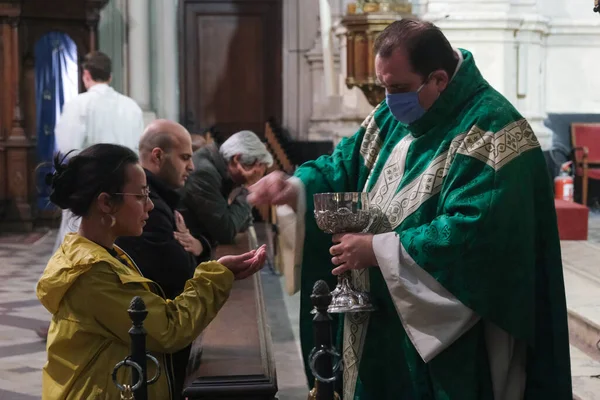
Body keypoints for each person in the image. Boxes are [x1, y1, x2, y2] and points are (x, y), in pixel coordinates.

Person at [248, 18, 572, 400]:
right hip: (375, 324)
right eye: (384, 86)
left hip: (442, 346)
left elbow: (477, 236)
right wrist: (294, 186)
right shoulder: (397, 113)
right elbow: (344, 164)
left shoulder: (496, 133)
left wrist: (378, 250)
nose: (388, 100)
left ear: (439, 79)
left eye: (397, 88)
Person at [37, 143, 266, 399]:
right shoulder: (92, 272)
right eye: (141, 195)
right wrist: (218, 275)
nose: (150, 206)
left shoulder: (104, 253)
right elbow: (168, 330)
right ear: (106, 203)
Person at [115, 120, 212, 397]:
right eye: (185, 158)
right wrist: (189, 250)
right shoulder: (153, 208)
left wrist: (194, 246)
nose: (191, 167)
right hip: (156, 342)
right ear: (157, 156)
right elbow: (182, 274)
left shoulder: (163, 199)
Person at [53, 51, 144, 252]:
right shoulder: (131, 107)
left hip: (88, 189)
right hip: (125, 189)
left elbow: (67, 150)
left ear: (86, 75)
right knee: (120, 248)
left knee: (79, 252)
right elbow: (138, 150)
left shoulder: (78, 104)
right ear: (110, 77)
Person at [179, 130, 273, 253]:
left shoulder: (219, 167)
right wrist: (250, 188)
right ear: (236, 159)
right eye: (256, 173)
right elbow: (225, 232)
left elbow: (242, 224)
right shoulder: (205, 173)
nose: (258, 179)